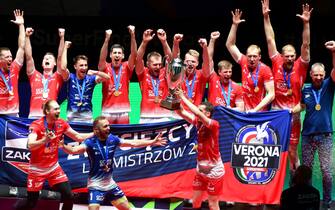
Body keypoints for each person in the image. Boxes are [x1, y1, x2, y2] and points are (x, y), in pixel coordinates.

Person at [59, 116, 167, 210]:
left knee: (127, 208)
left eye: (108, 125)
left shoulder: (112, 139)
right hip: (95, 185)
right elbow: (74, 150)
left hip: (110, 184)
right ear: (97, 129)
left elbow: (133, 143)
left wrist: (152, 142)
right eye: (105, 126)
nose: (109, 128)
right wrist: (63, 146)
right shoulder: (90, 142)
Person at [262, 0, 313, 179]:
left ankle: (296, 183)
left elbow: (305, 45)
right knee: (271, 149)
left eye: (292, 56)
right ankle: (268, 184)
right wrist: (266, 16)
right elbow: (270, 39)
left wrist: (306, 23)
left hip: (293, 115)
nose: (290, 59)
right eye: (287, 56)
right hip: (276, 113)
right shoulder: (276, 62)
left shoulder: (301, 65)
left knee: (292, 150)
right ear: (282, 56)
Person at [14, 99, 94, 210]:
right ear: (47, 111)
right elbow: (30, 145)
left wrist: (95, 133)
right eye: (55, 109)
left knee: (69, 196)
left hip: (53, 168)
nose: (59, 110)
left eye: (59, 108)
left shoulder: (61, 123)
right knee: (31, 203)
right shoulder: (37, 125)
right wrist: (44, 140)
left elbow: (78, 137)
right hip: (37, 169)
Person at [298, 40, 335, 210]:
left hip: (326, 136)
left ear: (324, 74)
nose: (319, 77)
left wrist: (334, 52)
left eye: (321, 74)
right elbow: (301, 106)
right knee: (306, 172)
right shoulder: (305, 89)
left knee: (327, 172)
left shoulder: (329, 85)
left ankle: (327, 202)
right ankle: (308, 200)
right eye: (315, 75)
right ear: (310, 75)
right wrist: (289, 111)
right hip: (307, 136)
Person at [175, 89, 224, 210]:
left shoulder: (213, 124)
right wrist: (175, 98)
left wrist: (184, 96)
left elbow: (196, 113)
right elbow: (181, 112)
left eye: (201, 110)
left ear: (207, 114)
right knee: (195, 202)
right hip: (200, 169)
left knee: (212, 204)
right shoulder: (198, 122)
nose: (198, 112)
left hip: (214, 170)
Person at [226, 9, 275, 112]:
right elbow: (230, 45)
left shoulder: (265, 69)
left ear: (259, 57)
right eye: (249, 56)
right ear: (246, 56)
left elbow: (271, 94)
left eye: (254, 56)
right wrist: (234, 25)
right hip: (245, 111)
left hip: (259, 113)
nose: (251, 59)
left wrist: (255, 110)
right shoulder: (243, 61)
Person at [60, 41, 110, 123]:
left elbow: (107, 78)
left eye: (85, 65)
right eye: (81, 65)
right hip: (71, 118)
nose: (84, 67)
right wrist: (65, 48)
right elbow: (62, 68)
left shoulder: (91, 79)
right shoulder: (70, 77)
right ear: (75, 66)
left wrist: (95, 72)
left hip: (87, 118)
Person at [25, 27, 69, 118]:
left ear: (55, 64)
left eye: (50, 58)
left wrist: (62, 38)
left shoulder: (57, 76)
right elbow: (28, 56)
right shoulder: (34, 75)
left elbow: (60, 57)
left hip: (50, 116)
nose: (47, 59)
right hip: (34, 116)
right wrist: (27, 37)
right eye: (45, 58)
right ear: (42, 63)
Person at [98, 26, 137, 124]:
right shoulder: (105, 67)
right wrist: (107, 39)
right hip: (107, 111)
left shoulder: (127, 67)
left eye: (119, 53)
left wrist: (132, 35)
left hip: (123, 111)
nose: (117, 55)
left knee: (124, 137)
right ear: (110, 55)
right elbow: (102, 58)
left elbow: (134, 54)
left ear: (123, 56)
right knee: (106, 137)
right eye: (114, 53)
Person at [136, 28, 173, 123]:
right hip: (145, 117)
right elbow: (138, 58)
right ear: (148, 64)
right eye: (155, 64)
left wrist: (164, 41)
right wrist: (144, 42)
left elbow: (171, 59)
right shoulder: (143, 73)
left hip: (164, 116)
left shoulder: (165, 72)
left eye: (160, 64)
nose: (158, 67)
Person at [171, 33, 211, 110]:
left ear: (197, 63)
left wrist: (205, 47)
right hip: (179, 114)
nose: (190, 63)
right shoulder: (179, 73)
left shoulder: (201, 74)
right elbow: (175, 58)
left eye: (193, 61)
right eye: (187, 61)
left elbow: (206, 62)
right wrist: (176, 42)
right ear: (183, 62)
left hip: (195, 114)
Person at [207, 31, 244, 112]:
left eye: (230, 72)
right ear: (219, 72)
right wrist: (212, 40)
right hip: (212, 117)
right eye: (225, 72)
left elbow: (241, 108)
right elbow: (208, 59)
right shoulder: (213, 79)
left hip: (228, 119)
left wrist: (231, 110)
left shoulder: (237, 87)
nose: (228, 74)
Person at [0, 9, 25, 116]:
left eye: (11, 56)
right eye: (7, 57)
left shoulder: (14, 67)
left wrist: (21, 26)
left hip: (13, 113)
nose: (10, 59)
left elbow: (21, 47)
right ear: (0, 60)